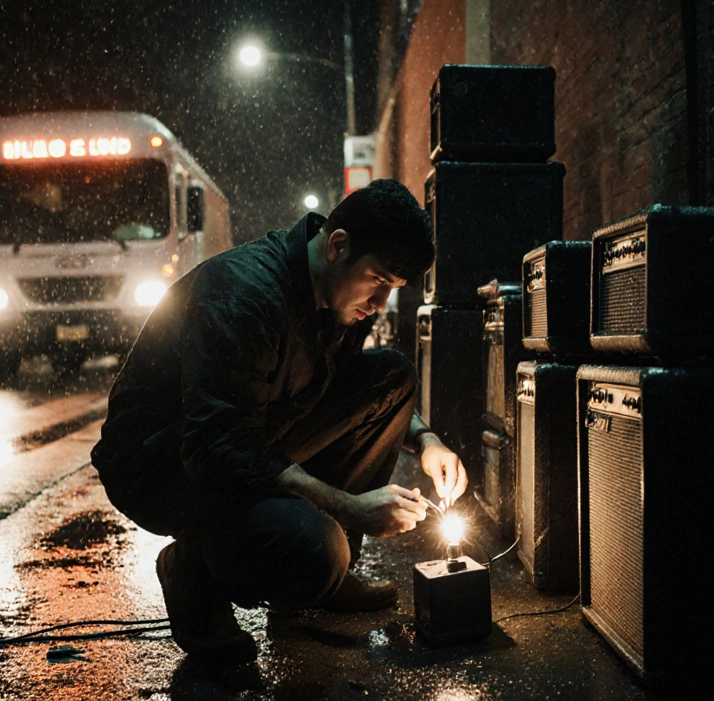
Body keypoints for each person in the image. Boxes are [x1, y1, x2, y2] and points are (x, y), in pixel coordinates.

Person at [91, 178, 468, 663]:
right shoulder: (243, 297)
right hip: (163, 463)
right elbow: (216, 449)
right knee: (317, 550)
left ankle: (322, 583)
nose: (379, 305)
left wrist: (428, 439)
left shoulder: (336, 295)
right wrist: (348, 506)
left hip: (248, 430)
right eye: (378, 282)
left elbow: (348, 387)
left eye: (391, 291)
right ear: (337, 246)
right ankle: (195, 570)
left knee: (393, 379)